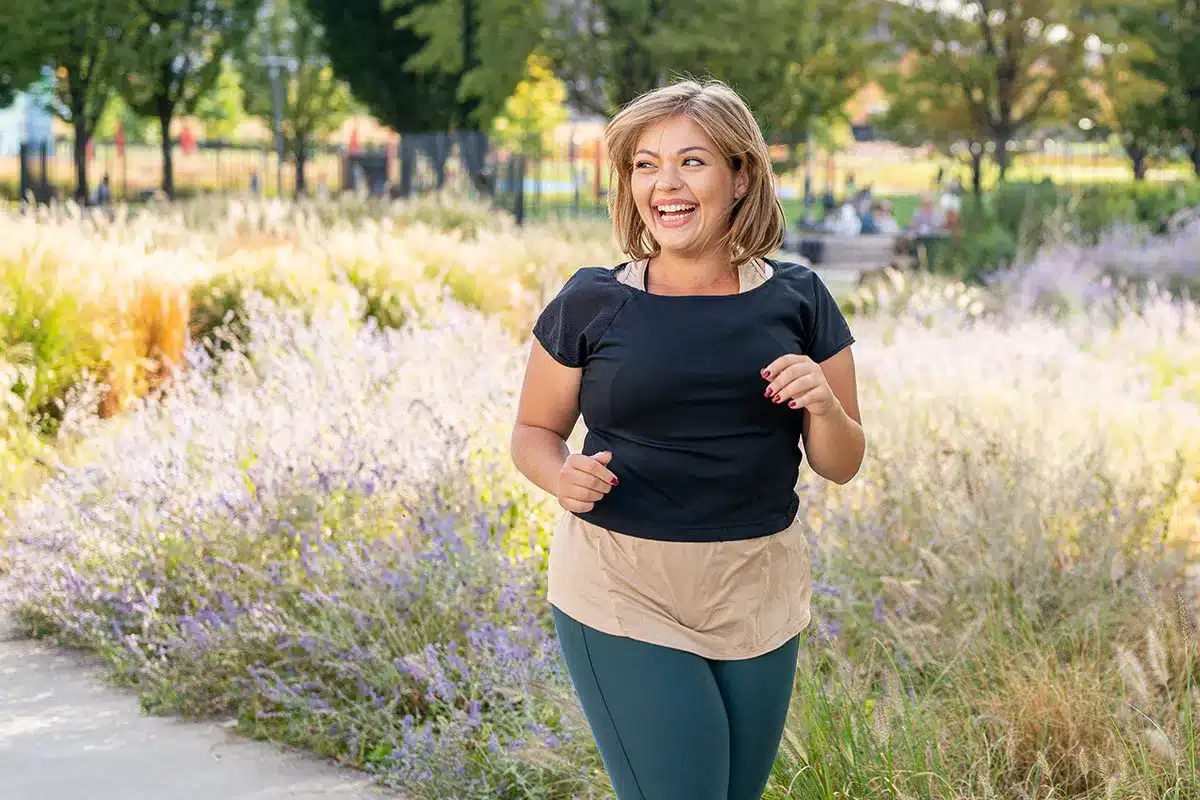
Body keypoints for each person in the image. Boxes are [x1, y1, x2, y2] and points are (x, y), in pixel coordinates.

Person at [511, 79, 866, 800]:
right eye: (645, 165)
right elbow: (533, 432)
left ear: (741, 175)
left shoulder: (800, 299)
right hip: (622, 583)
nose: (664, 185)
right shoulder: (592, 300)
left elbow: (842, 463)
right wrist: (560, 475)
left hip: (758, 587)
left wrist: (824, 408)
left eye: (692, 162)